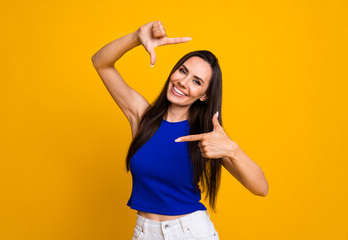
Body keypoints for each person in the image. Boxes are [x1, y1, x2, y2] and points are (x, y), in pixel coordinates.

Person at [91, 20, 269, 240]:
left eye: (196, 81)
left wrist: (233, 150)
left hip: (190, 232)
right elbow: (101, 63)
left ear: (204, 95)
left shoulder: (207, 137)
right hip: (144, 232)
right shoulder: (142, 117)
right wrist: (137, 37)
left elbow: (261, 188)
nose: (183, 82)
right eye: (182, 71)